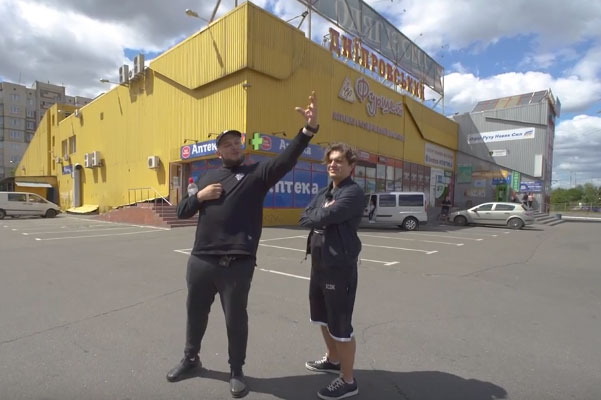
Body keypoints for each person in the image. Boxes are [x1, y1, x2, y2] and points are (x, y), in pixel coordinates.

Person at [167, 91, 319, 398]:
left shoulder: (257, 174)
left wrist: (307, 131)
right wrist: (200, 196)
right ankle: (191, 359)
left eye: (237, 142)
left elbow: (286, 159)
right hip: (201, 260)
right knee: (195, 314)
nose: (234, 146)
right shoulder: (206, 177)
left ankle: (236, 370)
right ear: (219, 151)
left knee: (235, 320)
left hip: (236, 263)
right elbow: (182, 210)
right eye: (228, 144)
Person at [300, 143, 365, 400]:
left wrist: (321, 214)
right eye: (330, 160)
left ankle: (348, 381)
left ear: (351, 166)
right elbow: (305, 217)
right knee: (322, 318)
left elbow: (320, 217)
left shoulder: (353, 193)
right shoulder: (325, 192)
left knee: (340, 325)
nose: (333, 164)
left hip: (339, 268)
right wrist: (322, 213)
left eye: (339, 161)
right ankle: (333, 359)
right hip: (319, 265)